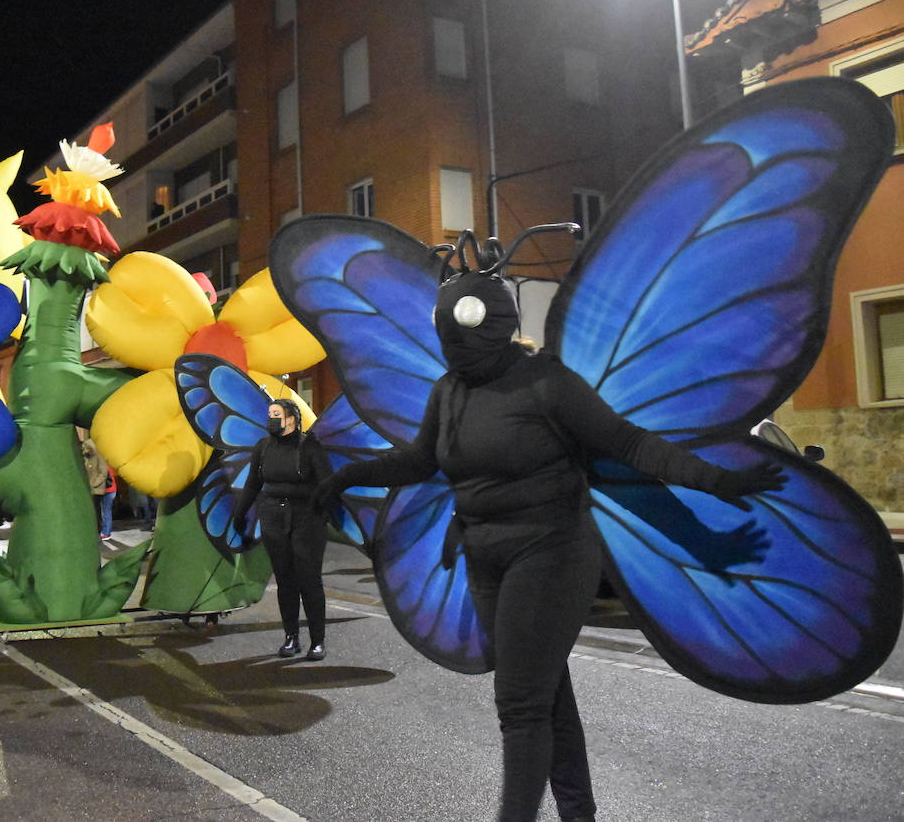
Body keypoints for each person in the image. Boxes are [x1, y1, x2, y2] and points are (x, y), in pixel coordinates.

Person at [317, 271, 784, 822]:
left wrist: (716, 481)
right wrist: (345, 477)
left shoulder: (546, 382)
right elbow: (422, 460)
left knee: (520, 706)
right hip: (485, 558)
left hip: (551, 552)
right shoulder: (449, 391)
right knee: (548, 700)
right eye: (444, 332)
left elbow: (627, 443)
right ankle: (578, 815)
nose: (452, 344)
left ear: (496, 326)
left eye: (460, 331)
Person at [230, 398, 333, 661]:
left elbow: (327, 484)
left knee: (309, 580)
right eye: (269, 414)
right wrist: (239, 514)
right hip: (273, 518)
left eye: (276, 414)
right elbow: (253, 484)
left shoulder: (310, 446)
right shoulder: (263, 447)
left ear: (291, 418)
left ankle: (317, 641)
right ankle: (291, 637)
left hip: (306, 519)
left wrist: (321, 514)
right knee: (285, 580)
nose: (270, 419)